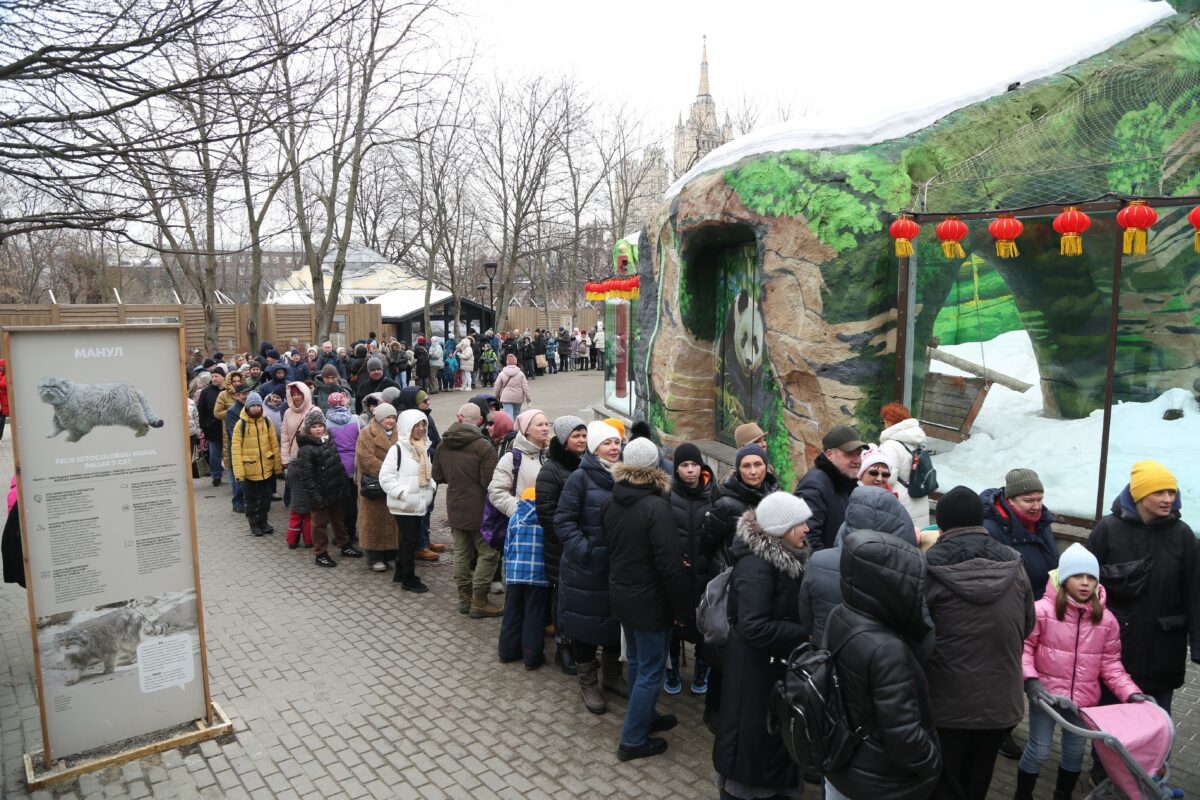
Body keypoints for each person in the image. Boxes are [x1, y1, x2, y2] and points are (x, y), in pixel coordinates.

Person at [924, 486, 1034, 800]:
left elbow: (916, 633)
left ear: (940, 525)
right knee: (978, 779)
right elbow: (1026, 625)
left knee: (945, 781)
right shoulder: (1015, 562)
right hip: (1000, 702)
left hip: (946, 703)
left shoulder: (927, 566)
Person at [1016, 543, 1147, 800]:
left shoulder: (1106, 619)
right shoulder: (1041, 611)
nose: (1085, 583)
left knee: (1075, 753)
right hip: (1046, 699)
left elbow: (1111, 664)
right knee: (1040, 749)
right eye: (1077, 576)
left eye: (1090, 577)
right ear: (1064, 579)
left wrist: (1132, 694)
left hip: (1083, 702)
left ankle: (1062, 795)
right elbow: (1024, 649)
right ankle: (1022, 794)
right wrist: (1031, 681)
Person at [824, 529, 941, 800]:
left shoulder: (839, 614)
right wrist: (933, 761)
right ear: (888, 586)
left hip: (841, 762)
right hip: (877, 781)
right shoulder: (888, 649)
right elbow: (903, 736)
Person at [713, 491, 812, 800]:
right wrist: (804, 634)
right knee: (754, 746)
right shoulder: (757, 567)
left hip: (769, 672)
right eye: (801, 524)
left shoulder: (783, 558)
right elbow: (754, 626)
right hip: (755, 676)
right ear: (781, 529)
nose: (807, 529)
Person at [1085, 460, 1200, 714]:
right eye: (1158, 492)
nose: (1167, 498)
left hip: (1164, 647)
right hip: (1115, 648)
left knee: (1157, 721)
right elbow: (1082, 583)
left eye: (1171, 492)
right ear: (1138, 494)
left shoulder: (1182, 534)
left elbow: (1195, 591)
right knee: (1111, 719)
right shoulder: (1108, 529)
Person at [603, 437, 689, 761]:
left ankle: (646, 715)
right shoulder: (656, 508)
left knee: (639, 662)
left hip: (624, 596)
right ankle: (632, 739)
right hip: (650, 603)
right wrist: (681, 610)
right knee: (651, 668)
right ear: (655, 467)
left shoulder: (611, 501)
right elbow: (670, 566)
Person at [697, 442, 779, 732]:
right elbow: (704, 542)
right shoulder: (726, 503)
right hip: (732, 585)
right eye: (747, 466)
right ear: (738, 469)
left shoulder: (773, 496)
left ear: (766, 467)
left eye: (758, 465)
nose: (753, 471)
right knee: (725, 651)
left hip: (763, 582)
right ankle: (714, 709)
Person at [799, 485, 921, 650]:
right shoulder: (908, 569)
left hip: (829, 655)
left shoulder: (818, 561)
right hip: (884, 661)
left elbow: (807, 616)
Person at [555, 421, 624, 714]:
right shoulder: (580, 478)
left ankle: (611, 676)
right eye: (607, 443)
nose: (614, 448)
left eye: (617, 442)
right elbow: (563, 521)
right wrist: (586, 551)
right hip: (584, 570)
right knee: (584, 626)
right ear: (595, 447)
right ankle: (588, 682)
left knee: (613, 622)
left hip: (616, 568)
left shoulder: (624, 477)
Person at [432, 403, 500, 616]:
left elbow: (437, 476)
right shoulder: (483, 446)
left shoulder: (444, 444)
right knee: (488, 554)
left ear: (459, 418)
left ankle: (464, 599)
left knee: (461, 553)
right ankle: (479, 600)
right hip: (481, 508)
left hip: (455, 505)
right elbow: (490, 482)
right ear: (479, 420)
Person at [537, 415, 588, 674]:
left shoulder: (585, 464)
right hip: (561, 549)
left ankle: (581, 645)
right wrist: (570, 540)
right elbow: (546, 513)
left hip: (582, 546)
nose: (581, 440)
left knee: (580, 599)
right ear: (564, 439)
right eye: (576, 436)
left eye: (584, 435)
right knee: (562, 599)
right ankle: (563, 648)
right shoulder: (551, 469)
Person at [665, 442, 715, 696]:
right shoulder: (668, 495)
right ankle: (671, 669)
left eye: (694, 464)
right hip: (678, 574)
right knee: (674, 624)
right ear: (676, 469)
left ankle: (701, 670)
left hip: (705, 574)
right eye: (684, 465)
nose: (690, 470)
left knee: (704, 625)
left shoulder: (713, 495)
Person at [293, 408, 361, 568]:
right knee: (319, 525)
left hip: (334, 490)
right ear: (308, 429)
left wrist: (342, 485)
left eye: (320, 425)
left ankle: (345, 545)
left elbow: (337, 463)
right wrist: (315, 497)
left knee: (338, 520)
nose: (318, 429)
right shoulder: (306, 449)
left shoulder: (328, 440)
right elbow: (307, 477)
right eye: (314, 426)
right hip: (319, 494)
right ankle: (320, 553)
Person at [379, 409, 437, 593]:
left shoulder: (422, 446)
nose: (420, 429)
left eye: (423, 425)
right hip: (404, 505)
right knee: (409, 541)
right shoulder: (397, 449)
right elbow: (386, 477)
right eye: (416, 425)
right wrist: (402, 494)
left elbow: (428, 472)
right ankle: (409, 579)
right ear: (406, 427)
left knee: (407, 540)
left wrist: (432, 486)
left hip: (418, 503)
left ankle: (400, 571)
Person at [982, 469, 1058, 605]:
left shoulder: (1042, 522)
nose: (1037, 506)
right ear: (1010, 500)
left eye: (1040, 499)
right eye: (1028, 501)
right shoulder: (990, 531)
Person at [793, 424, 866, 552]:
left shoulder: (846, 481)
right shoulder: (814, 485)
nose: (857, 460)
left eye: (858, 454)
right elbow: (807, 539)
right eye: (849, 454)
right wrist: (827, 569)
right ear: (829, 454)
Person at [499, 487, 550, 668]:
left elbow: (507, 547)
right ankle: (531, 657)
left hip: (514, 575)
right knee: (534, 617)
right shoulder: (545, 521)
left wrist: (507, 571)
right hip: (538, 577)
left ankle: (507, 652)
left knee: (512, 613)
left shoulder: (515, 519)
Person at [230, 391, 281, 537]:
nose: (256, 408)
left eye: (258, 405)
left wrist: (277, 466)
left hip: (266, 468)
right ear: (247, 406)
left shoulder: (267, 421)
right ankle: (253, 523)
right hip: (249, 470)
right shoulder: (241, 424)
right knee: (251, 500)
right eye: (253, 405)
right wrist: (239, 473)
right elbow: (236, 449)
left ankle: (263, 521)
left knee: (265, 499)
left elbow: (273, 444)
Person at [356, 403, 399, 571]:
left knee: (391, 521)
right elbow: (365, 459)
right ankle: (374, 557)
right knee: (373, 522)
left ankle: (390, 553)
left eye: (394, 417)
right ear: (379, 418)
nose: (391, 421)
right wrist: (389, 470)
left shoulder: (399, 433)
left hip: (392, 484)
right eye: (388, 417)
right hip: (374, 484)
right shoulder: (367, 434)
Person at [878, 402, 932, 529]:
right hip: (920, 495)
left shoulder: (890, 445)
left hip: (902, 503)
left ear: (889, 422)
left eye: (884, 421)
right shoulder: (915, 441)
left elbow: (888, 479)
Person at [325, 393, 360, 547]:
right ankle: (352, 533)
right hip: (353, 466)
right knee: (352, 502)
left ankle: (340, 535)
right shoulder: (357, 420)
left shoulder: (325, 424)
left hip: (336, 468)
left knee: (338, 504)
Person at [197, 369, 226, 485]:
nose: (214, 378)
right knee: (214, 454)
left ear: (223, 377)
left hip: (227, 427)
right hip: (212, 428)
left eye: (216, 376)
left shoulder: (229, 391)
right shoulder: (206, 392)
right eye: (212, 376)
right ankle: (216, 475)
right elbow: (201, 410)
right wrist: (205, 425)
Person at [494, 354, 532, 419]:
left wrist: (496, 396)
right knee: (516, 414)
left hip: (506, 397)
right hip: (518, 397)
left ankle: (510, 427)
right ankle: (515, 428)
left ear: (507, 362)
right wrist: (528, 399)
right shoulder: (520, 373)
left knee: (508, 415)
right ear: (515, 362)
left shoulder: (502, 373)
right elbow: (526, 388)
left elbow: (497, 386)